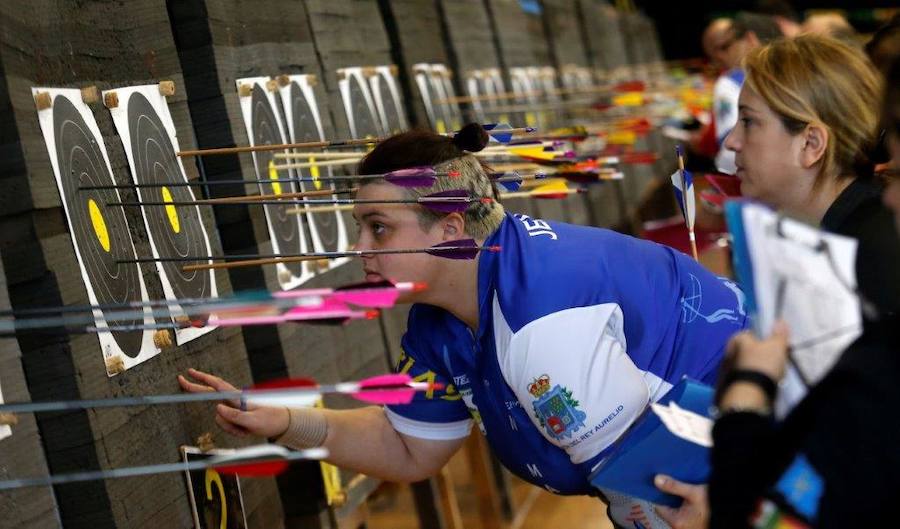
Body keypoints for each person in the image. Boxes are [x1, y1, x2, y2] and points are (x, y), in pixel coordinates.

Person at [180, 124, 748, 528]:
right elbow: (407, 448)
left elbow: (651, 496)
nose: (359, 250)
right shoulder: (443, 316)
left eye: (378, 229)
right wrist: (284, 422)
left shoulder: (542, 323)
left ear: (450, 228)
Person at [653, 35, 900, 529]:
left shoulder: (868, 264)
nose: (731, 141)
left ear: (811, 143)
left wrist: (738, 492)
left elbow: (853, 474)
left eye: (750, 122)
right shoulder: (833, 241)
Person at [711, 12, 783, 174]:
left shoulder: (729, 82)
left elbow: (728, 157)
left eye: (726, 46)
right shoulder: (800, 76)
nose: (721, 55)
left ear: (749, 40)